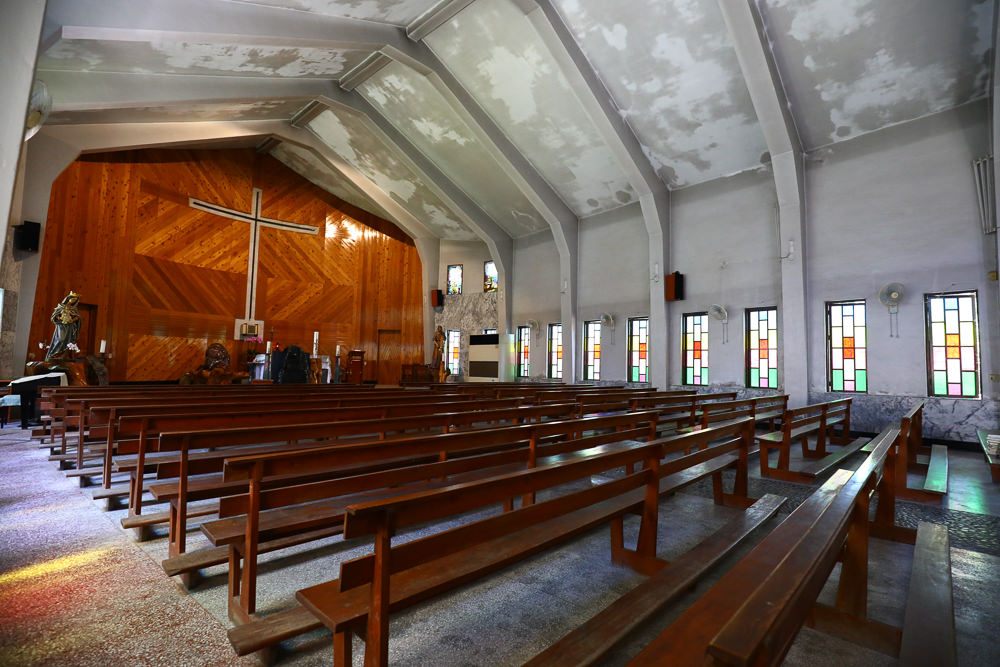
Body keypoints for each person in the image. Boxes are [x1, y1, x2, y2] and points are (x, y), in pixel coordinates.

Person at [46, 291, 81, 361]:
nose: (73, 301)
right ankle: (54, 354)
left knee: (68, 341)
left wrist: (73, 319)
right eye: (72, 299)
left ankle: (63, 355)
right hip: (61, 326)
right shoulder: (61, 307)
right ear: (68, 298)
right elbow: (54, 316)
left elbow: (78, 318)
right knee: (60, 339)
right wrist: (60, 318)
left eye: (75, 300)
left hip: (69, 327)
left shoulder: (74, 309)